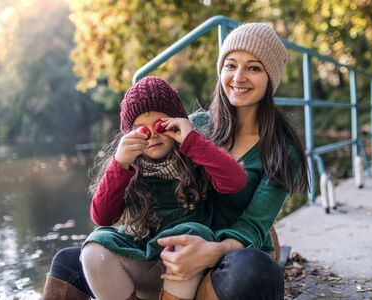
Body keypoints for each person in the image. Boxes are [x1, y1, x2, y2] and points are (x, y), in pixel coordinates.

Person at [41, 22, 308, 300]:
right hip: (172, 253)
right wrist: (122, 164)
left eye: (254, 68)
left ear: (270, 78)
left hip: (229, 256)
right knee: (70, 261)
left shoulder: (281, 151)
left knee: (253, 269)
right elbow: (143, 188)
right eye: (231, 65)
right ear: (221, 71)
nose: (239, 77)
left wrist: (210, 252)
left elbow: (251, 224)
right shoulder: (195, 127)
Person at [80, 76, 247, 300]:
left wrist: (192, 141)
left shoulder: (197, 155)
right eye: (142, 130)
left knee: (186, 236)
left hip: (192, 260)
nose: (153, 135)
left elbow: (236, 181)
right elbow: (102, 216)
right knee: (94, 247)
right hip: (146, 258)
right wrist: (119, 164)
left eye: (160, 124)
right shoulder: (129, 168)